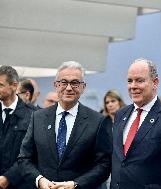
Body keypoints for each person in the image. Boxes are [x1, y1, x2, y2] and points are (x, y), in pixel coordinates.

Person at [18, 61, 112, 189]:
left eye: (75, 83)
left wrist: (76, 184)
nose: (68, 88)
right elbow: (24, 158)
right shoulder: (38, 118)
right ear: (56, 85)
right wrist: (40, 180)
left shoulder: (98, 121)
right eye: (63, 82)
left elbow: (104, 164)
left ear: (83, 87)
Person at [111, 58, 161, 189]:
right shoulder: (120, 115)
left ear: (155, 82)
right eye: (129, 81)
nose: (133, 86)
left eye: (139, 80)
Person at [0, 66, 36, 189]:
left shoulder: (33, 116)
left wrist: (9, 177)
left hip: (21, 183)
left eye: (0, 85)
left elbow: (33, 153)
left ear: (14, 86)